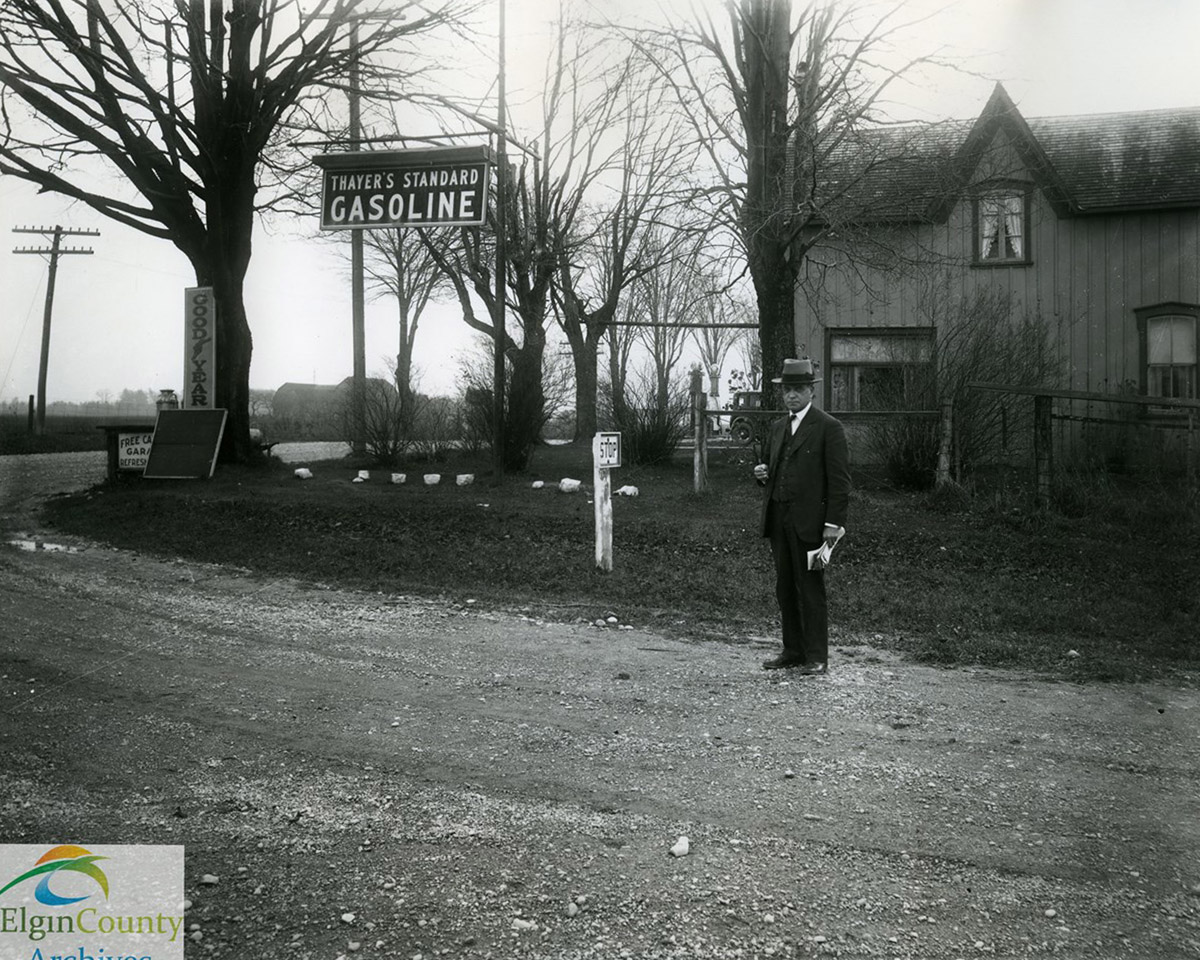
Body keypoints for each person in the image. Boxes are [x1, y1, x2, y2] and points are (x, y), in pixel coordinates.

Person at [753, 358, 850, 674]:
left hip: (813, 526)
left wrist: (832, 525)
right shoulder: (778, 427)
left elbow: (839, 482)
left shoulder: (828, 428)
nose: (791, 396)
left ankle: (816, 657)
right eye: (787, 390)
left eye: (798, 389)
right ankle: (792, 650)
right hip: (780, 521)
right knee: (785, 587)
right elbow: (774, 469)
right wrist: (762, 474)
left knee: (811, 588)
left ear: (811, 391)